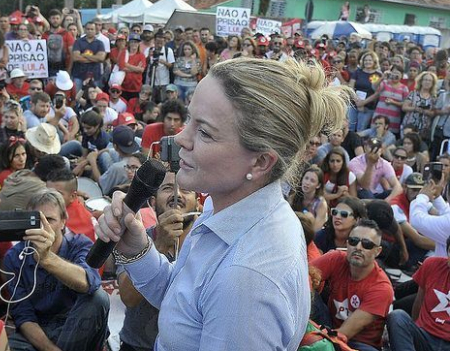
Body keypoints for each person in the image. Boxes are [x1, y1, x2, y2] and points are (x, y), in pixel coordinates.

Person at [95, 58, 350, 349]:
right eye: (190, 120)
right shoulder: (226, 207)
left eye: (204, 132)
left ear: (261, 161)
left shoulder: (247, 280)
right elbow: (184, 301)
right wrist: (137, 250)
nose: (180, 138)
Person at [4, 189, 110, 351]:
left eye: (50, 220)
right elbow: (23, 316)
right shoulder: (15, 256)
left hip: (75, 325)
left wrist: (46, 259)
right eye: (36, 220)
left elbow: (88, 283)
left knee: (98, 298)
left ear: (63, 221)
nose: (43, 227)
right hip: (38, 331)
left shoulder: (80, 244)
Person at [117, 171, 200, 351]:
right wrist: (158, 245)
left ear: (199, 205)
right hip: (138, 346)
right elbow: (128, 298)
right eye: (167, 188)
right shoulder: (134, 240)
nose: (177, 194)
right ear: (153, 202)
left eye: (186, 189)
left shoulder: (208, 246)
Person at [311, 219, 394, 351]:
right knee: (306, 290)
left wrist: (312, 337)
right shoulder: (335, 258)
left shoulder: (382, 288)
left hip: (360, 344)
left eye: (366, 244)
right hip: (330, 325)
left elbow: (343, 333)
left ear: (377, 251)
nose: (358, 247)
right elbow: (301, 279)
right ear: (347, 243)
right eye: (354, 241)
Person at [386, 236, 450, 351]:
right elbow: (418, 302)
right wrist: (414, 329)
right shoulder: (432, 264)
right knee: (397, 316)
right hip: (425, 336)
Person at [46, 169, 96, 241]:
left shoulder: (69, 231)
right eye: (48, 192)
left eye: (58, 194)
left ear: (72, 196)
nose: (50, 197)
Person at [348, 51, 382, 132]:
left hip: (368, 106)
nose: (367, 62)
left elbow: (377, 93)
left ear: (374, 62)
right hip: (354, 104)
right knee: (350, 128)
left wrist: (363, 103)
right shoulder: (358, 72)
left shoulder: (378, 75)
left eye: (370, 60)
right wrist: (357, 101)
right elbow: (350, 86)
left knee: (361, 129)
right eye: (366, 60)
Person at [289, 165, 328, 231]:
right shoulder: (294, 196)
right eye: (306, 178)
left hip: (310, 235)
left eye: (312, 181)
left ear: (318, 185)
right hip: (292, 230)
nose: (307, 183)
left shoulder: (321, 203)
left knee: (309, 216)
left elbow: (317, 230)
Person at [373, 65, 408, 134]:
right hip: (379, 116)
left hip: (393, 119)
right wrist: (382, 77)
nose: (395, 75)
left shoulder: (404, 88)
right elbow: (374, 87)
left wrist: (393, 102)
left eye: (397, 74)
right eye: (394, 73)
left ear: (401, 76)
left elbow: (405, 103)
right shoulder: (384, 83)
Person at [402, 71, 437, 139]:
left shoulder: (434, 98)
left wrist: (426, 112)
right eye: (425, 80)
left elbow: (434, 113)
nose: (427, 82)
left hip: (423, 129)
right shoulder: (413, 93)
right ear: (421, 81)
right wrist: (415, 109)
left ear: (433, 83)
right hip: (409, 126)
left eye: (430, 80)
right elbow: (404, 107)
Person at [118, 33, 147, 101]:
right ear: (129, 43)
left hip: (136, 86)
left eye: (136, 42)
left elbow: (141, 70)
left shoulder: (141, 55)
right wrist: (136, 68)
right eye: (132, 42)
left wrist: (127, 65)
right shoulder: (124, 53)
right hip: (124, 86)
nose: (134, 44)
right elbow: (122, 67)